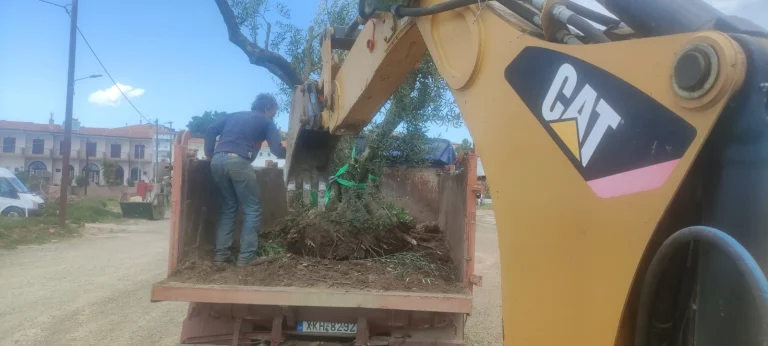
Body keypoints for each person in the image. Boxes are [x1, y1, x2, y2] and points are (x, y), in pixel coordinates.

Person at [204, 93, 286, 266]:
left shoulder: (234, 116)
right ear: (267, 108)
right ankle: (246, 257)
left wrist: (210, 154)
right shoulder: (266, 122)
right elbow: (277, 150)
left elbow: (211, 129)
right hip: (238, 162)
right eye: (273, 112)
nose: (273, 116)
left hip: (217, 162)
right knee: (252, 208)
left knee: (229, 207)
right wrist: (293, 151)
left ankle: (221, 255)